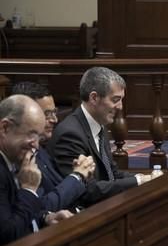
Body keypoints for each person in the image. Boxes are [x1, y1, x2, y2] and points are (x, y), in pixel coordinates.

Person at [49, 67, 148, 206]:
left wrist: (145, 178)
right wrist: (137, 182)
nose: (120, 107)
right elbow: (85, 190)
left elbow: (111, 174)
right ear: (94, 98)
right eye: (115, 99)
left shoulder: (98, 125)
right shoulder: (70, 135)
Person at [0, 95, 73, 246]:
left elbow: (13, 210)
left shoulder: (12, 158)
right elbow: (7, 235)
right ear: (5, 128)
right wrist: (28, 190)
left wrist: (45, 217)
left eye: (38, 137)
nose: (36, 146)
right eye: (31, 135)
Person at [11, 82, 95, 212]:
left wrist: (80, 174)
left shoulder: (41, 149)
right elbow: (42, 206)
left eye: (54, 112)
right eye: (47, 114)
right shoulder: (19, 156)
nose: (55, 119)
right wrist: (77, 176)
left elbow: (59, 188)